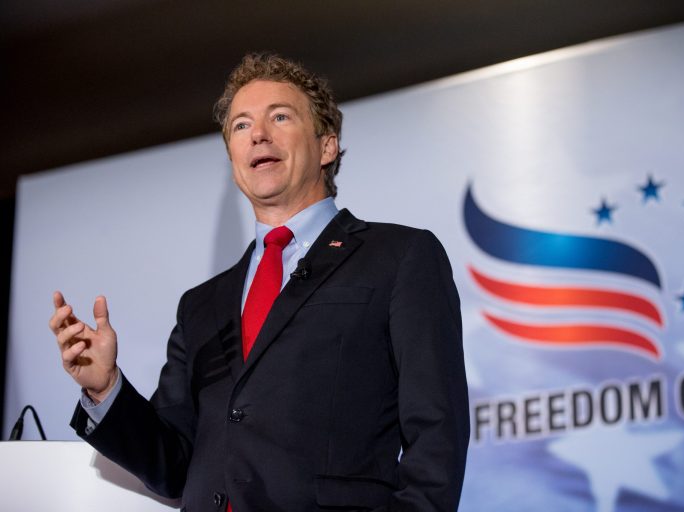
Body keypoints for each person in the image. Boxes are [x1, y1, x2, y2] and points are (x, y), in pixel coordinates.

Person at [49, 52, 469, 512]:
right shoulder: (201, 305)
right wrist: (105, 387)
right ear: (233, 158)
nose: (258, 135)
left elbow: (437, 436)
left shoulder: (399, 257)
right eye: (241, 126)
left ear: (327, 146)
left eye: (280, 117)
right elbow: (172, 467)